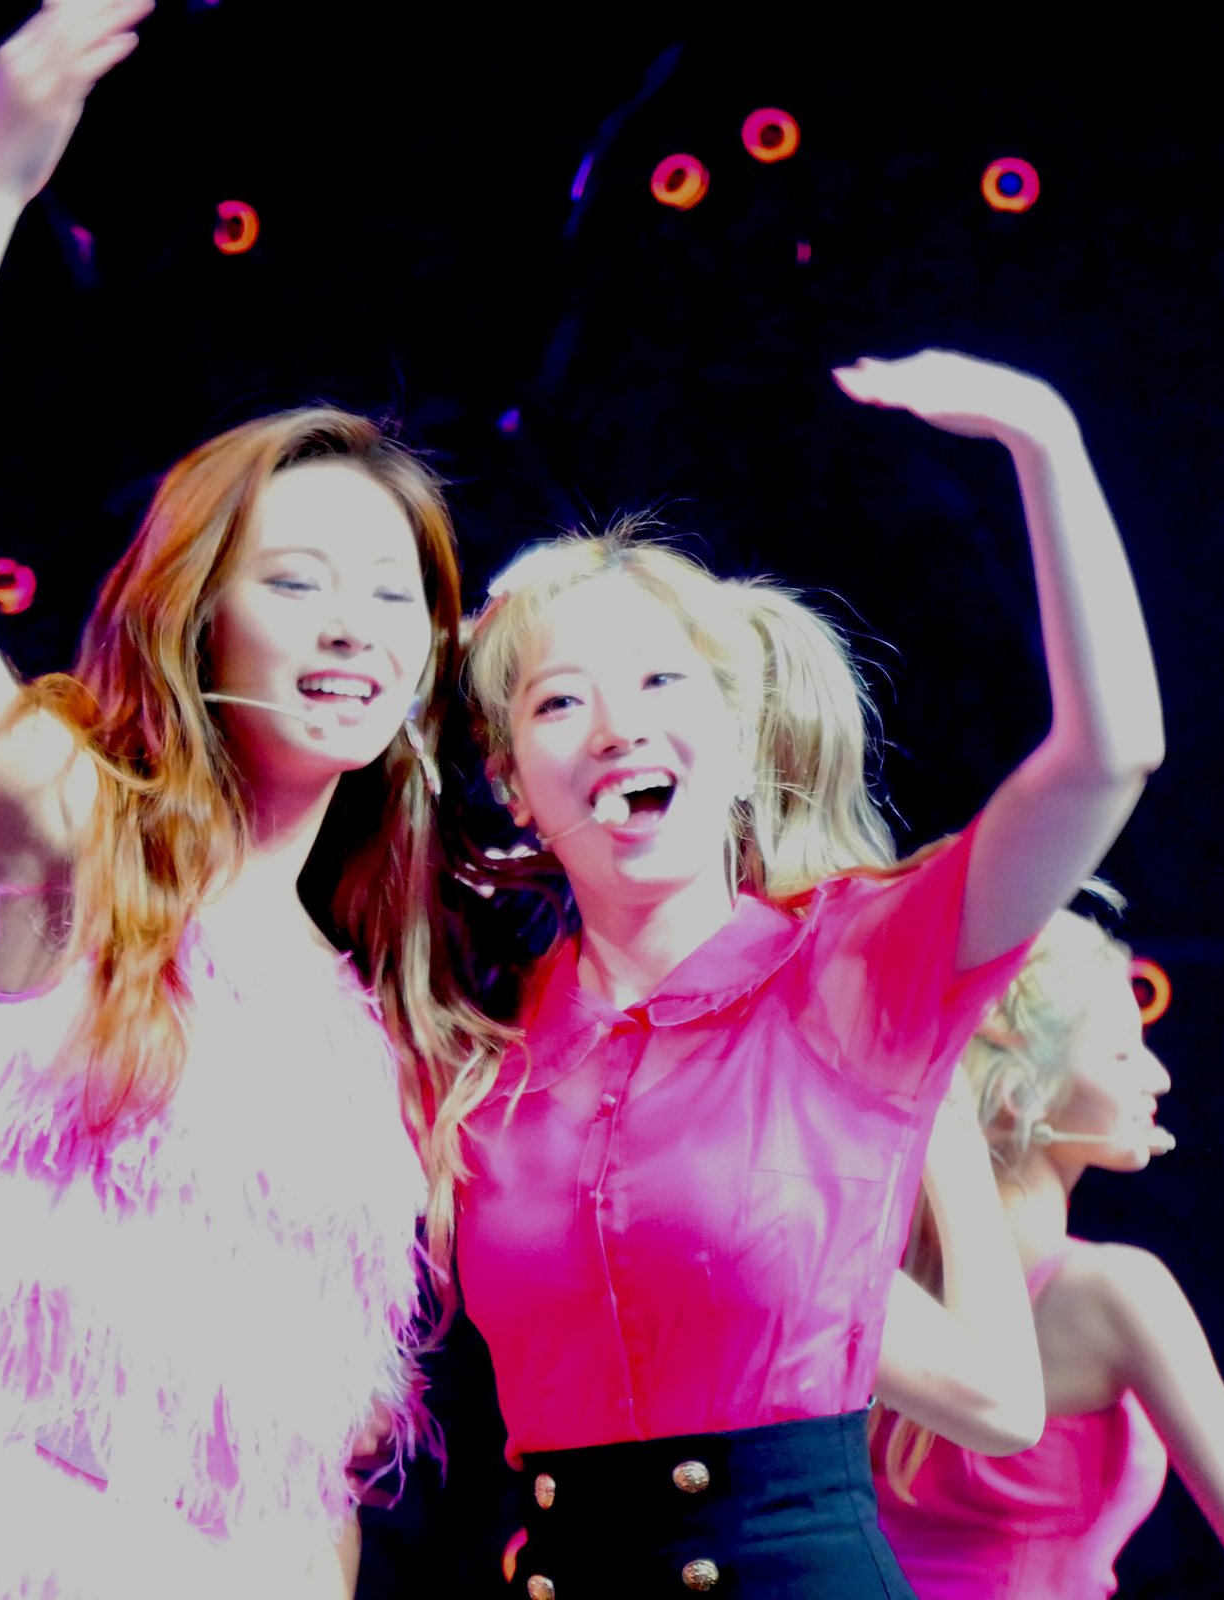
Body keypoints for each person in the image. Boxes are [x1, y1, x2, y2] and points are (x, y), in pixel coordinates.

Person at [0, 5, 498, 1595]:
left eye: (392, 595)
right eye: (297, 581)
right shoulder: (72, 831)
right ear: (197, 623)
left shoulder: (369, 1021)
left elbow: (300, 1462)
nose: (354, 627)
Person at [439, 349, 1166, 1597]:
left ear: (734, 739)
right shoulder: (486, 1041)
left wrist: (1044, 440)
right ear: (510, 780)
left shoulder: (851, 970)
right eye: (559, 703)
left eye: (660, 681)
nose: (618, 725)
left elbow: (1107, 758)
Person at [872, 901, 1224, 1600]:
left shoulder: (879, 1261)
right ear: (1021, 1095)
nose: (1159, 1077)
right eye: (1123, 1051)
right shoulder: (1114, 1291)